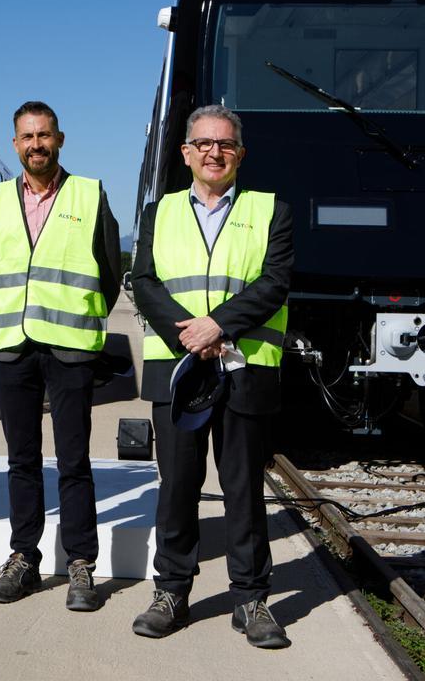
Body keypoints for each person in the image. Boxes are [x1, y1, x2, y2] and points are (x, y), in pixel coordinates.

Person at [130, 104, 293, 648]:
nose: (214, 152)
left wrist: (217, 326)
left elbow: (274, 283)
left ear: (239, 154)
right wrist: (191, 336)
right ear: (186, 153)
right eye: (203, 143)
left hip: (243, 366)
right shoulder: (159, 212)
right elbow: (144, 281)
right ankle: (171, 593)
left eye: (224, 144)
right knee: (177, 486)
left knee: (242, 489)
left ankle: (251, 599)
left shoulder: (271, 210)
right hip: (178, 369)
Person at [0, 101, 120, 611]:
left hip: (70, 346)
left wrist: (83, 317)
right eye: (27, 136)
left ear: (59, 139)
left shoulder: (90, 193)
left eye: (44, 135)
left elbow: (109, 271)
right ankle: (24, 558)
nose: (36, 144)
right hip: (11, 346)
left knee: (74, 461)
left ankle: (81, 563)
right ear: (15, 144)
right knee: (21, 460)